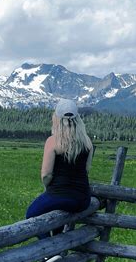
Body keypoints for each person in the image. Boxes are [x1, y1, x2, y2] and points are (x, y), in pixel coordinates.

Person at [26, 98, 94, 242]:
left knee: (31, 214)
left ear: (56, 118)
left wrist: (48, 189)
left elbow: (46, 174)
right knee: (56, 213)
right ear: (77, 119)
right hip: (83, 199)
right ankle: (59, 246)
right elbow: (86, 170)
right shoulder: (87, 141)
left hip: (61, 195)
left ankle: (49, 252)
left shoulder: (53, 141)